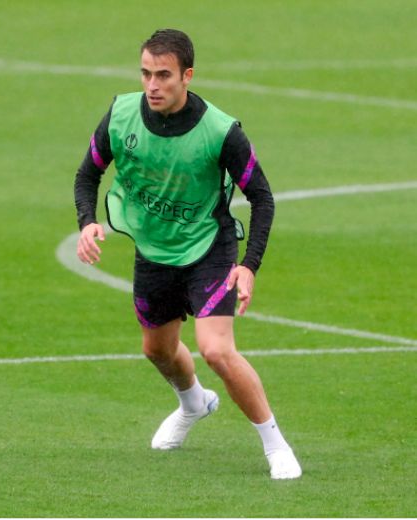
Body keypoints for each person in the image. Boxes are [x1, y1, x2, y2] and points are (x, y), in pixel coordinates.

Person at [73, 29, 301, 479]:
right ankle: (194, 403)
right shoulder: (121, 116)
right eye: (145, 73)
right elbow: (87, 175)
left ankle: (275, 445)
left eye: (163, 75)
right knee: (157, 349)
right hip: (154, 251)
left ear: (187, 76)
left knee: (215, 350)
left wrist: (248, 265)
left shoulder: (221, 131)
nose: (152, 85)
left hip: (208, 250)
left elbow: (262, 198)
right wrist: (87, 222)